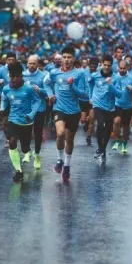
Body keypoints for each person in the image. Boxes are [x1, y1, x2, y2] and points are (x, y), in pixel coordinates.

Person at [48, 47, 88, 182]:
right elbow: (46, 83)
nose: (66, 60)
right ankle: (59, 160)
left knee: (69, 139)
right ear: (61, 59)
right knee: (60, 134)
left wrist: (73, 86)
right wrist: (50, 95)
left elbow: (84, 94)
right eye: (64, 57)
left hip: (74, 111)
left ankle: (67, 165)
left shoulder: (80, 74)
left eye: (69, 57)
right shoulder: (54, 73)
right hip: (59, 108)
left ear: (74, 59)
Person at [0, 62, 42, 183]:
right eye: (11, 76)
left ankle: (31, 153)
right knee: (12, 141)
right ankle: (19, 171)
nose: (13, 79)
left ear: (21, 76)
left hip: (27, 122)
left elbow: (37, 102)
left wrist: (31, 114)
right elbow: (3, 100)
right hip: (13, 119)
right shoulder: (6, 88)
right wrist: (2, 109)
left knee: (24, 148)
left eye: (16, 76)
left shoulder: (28, 88)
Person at [22, 55, 52, 168]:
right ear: (27, 64)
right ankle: (27, 152)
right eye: (30, 63)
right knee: (25, 131)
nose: (31, 65)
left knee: (38, 132)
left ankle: (37, 154)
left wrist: (40, 90)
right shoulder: (23, 75)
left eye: (34, 63)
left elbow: (49, 92)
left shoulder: (44, 75)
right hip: (26, 108)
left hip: (40, 107)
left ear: (38, 64)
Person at [90, 55, 117, 164]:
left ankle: (102, 149)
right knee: (100, 124)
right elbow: (90, 85)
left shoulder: (116, 77)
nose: (106, 67)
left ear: (111, 66)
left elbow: (119, 94)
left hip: (110, 106)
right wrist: (90, 97)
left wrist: (111, 85)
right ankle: (100, 149)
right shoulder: (94, 75)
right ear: (101, 64)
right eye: (104, 65)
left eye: (109, 66)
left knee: (108, 129)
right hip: (97, 104)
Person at [111, 59, 132, 154]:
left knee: (126, 127)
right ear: (118, 68)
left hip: (128, 106)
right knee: (116, 121)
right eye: (120, 68)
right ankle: (116, 140)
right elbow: (110, 87)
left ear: (127, 68)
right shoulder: (115, 77)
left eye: (124, 68)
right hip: (117, 104)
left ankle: (124, 144)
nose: (122, 70)